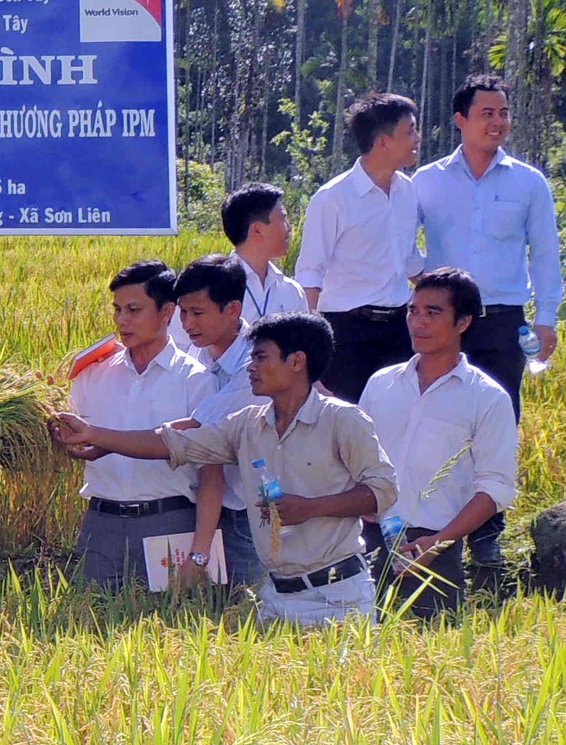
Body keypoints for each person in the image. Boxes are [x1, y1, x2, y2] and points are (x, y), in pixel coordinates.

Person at [52, 313, 399, 627]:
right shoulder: (246, 425)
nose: (250, 366)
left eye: (261, 357)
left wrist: (312, 507)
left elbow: (383, 492)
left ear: (297, 362)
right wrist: (94, 434)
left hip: (337, 596)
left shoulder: (342, 420)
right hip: (275, 597)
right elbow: (173, 443)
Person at [410, 72, 560, 584]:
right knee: (437, 421)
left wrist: (547, 319)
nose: (497, 123)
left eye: (503, 113)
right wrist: (421, 295)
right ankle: (429, 522)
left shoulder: (528, 182)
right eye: (486, 114)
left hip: (502, 320)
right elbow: (403, 244)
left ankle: (488, 535)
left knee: (499, 422)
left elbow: (545, 252)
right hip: (442, 318)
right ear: (460, 121)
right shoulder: (426, 180)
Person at [356, 268, 519, 618]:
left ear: (462, 322)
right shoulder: (381, 384)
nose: (418, 322)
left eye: (433, 312)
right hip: (366, 537)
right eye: (413, 311)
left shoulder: (487, 398)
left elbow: (496, 487)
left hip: (436, 546)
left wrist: (439, 542)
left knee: (432, 653)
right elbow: (353, 454)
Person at [65, 261, 222, 591]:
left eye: (134, 309)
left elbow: (211, 475)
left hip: (169, 522)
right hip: (101, 525)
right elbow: (71, 442)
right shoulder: (93, 375)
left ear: (167, 312)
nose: (123, 320)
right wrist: (63, 439)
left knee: (169, 636)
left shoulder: (195, 380)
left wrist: (199, 554)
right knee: (89, 632)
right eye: (118, 309)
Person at [296, 93, 423, 400]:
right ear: (383, 142)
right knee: (346, 428)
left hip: (398, 331)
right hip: (346, 334)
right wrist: (309, 347)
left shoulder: (407, 191)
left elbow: (408, 260)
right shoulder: (332, 198)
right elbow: (310, 273)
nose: (417, 139)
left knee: (396, 424)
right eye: (410, 131)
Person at [167, 256, 263, 586]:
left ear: (233, 309)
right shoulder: (201, 356)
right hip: (212, 510)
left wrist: (106, 437)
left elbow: (196, 432)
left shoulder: (256, 365)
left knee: (255, 618)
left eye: (197, 313)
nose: (187, 323)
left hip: (253, 518)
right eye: (182, 312)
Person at [169, 183, 307, 355]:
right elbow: (176, 348)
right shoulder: (205, 285)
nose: (289, 228)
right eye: (283, 219)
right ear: (257, 230)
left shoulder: (292, 291)